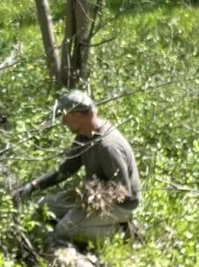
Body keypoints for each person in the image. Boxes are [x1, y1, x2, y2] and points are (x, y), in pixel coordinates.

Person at [14, 88, 141, 248]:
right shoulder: (84, 137)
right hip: (94, 198)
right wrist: (34, 186)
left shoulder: (108, 146)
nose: (62, 122)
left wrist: (92, 199)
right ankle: (90, 224)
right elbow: (66, 170)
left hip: (120, 207)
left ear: (77, 116)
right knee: (44, 207)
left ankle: (121, 232)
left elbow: (124, 193)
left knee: (64, 229)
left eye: (64, 117)